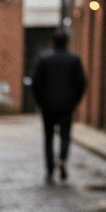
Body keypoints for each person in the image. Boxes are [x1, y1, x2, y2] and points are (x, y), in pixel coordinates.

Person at [31, 29, 87, 182]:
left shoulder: (44, 59)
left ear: (53, 42)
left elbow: (36, 83)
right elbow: (82, 82)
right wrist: (75, 101)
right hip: (66, 106)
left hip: (48, 106)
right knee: (65, 135)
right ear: (67, 42)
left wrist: (39, 102)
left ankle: (50, 170)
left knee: (48, 138)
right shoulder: (74, 59)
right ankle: (62, 159)